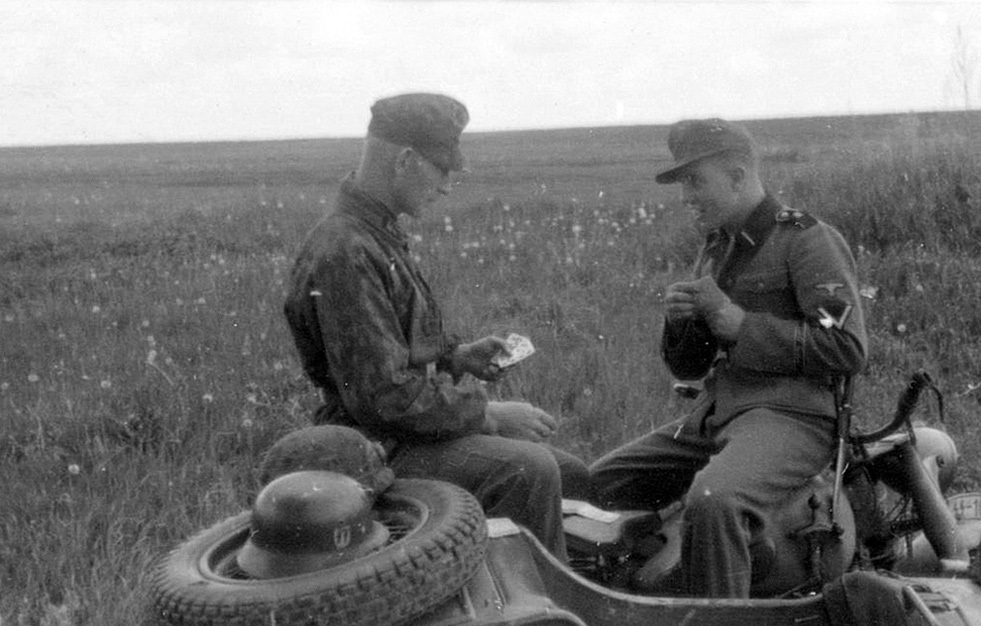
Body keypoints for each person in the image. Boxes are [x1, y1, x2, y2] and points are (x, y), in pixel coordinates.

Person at [282, 92, 590, 561]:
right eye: (442, 170)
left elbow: (392, 346)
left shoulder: (374, 234)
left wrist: (456, 357)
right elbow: (384, 398)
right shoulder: (346, 250)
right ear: (406, 160)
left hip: (401, 433)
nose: (447, 186)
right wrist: (488, 415)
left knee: (571, 472)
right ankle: (526, 595)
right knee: (529, 471)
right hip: (373, 448)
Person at [589, 118, 868, 597]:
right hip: (719, 415)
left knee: (715, 500)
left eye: (695, 182)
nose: (686, 197)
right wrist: (681, 324)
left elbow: (846, 347)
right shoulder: (718, 248)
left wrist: (740, 325)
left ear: (738, 176)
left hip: (793, 418)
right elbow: (691, 368)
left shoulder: (807, 240)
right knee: (596, 484)